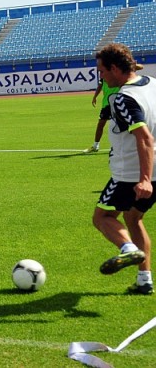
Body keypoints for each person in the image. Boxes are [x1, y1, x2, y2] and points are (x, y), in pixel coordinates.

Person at [92, 43, 154, 295]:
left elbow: (144, 138)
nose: (101, 77)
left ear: (115, 68)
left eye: (102, 71)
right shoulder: (152, 83)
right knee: (133, 218)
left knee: (103, 217)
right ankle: (144, 281)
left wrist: (144, 179)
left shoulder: (123, 98)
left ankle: (127, 250)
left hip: (132, 173)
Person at [85, 63, 145, 153]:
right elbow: (100, 85)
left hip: (118, 102)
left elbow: (140, 67)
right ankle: (95, 145)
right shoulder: (105, 73)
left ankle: (138, 144)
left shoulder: (118, 71)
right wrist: (95, 96)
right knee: (101, 123)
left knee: (128, 125)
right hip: (106, 103)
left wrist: (127, 65)